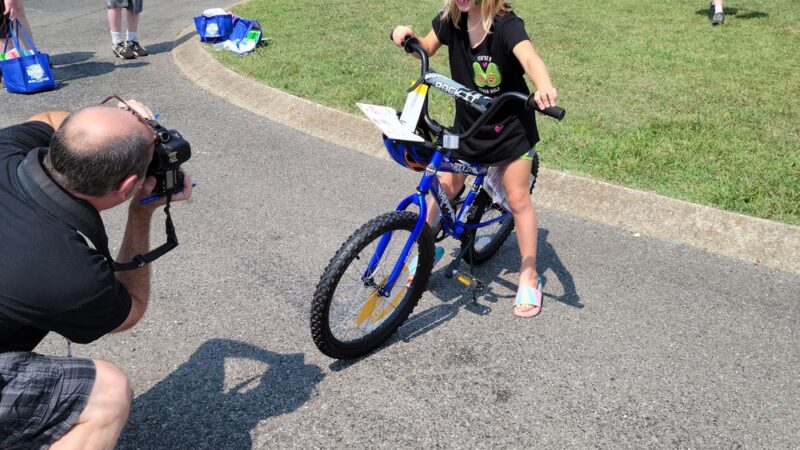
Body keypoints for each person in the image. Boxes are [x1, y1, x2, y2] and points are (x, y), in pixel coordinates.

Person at [0, 99, 192, 449]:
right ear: (127, 185)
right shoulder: (69, 271)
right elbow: (129, 311)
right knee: (108, 391)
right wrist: (142, 214)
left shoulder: (7, 147)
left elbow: (47, 117)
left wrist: (124, 118)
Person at [392, 0, 557, 318]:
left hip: (510, 132)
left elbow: (530, 58)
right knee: (442, 187)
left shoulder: (506, 25)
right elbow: (425, 47)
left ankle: (528, 274)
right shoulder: (450, 20)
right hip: (469, 131)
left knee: (518, 197)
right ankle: (426, 250)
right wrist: (408, 38)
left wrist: (544, 86)